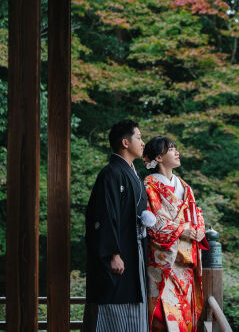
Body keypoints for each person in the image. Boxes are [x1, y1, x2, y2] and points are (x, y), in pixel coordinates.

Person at [82, 119, 156, 332]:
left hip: (135, 248)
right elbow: (104, 216)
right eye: (139, 138)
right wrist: (113, 253)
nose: (143, 143)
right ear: (125, 142)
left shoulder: (132, 173)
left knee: (135, 301)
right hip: (119, 251)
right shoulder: (111, 173)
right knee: (113, 305)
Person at [142, 136, 206, 332]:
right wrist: (183, 230)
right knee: (165, 318)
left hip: (185, 265)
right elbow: (153, 222)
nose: (177, 152)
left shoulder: (184, 187)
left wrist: (200, 230)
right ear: (159, 157)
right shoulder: (149, 185)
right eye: (171, 149)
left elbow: (197, 213)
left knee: (186, 318)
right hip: (164, 265)